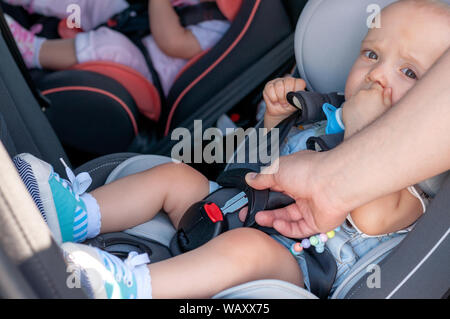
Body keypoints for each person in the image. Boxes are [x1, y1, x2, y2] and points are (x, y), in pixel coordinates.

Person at [11, 0, 450, 298]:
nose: (377, 75)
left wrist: (361, 132)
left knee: (248, 250)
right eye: (371, 55)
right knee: (177, 176)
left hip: (291, 269)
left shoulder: (409, 188)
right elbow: (248, 171)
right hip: (231, 211)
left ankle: (132, 286)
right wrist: (274, 122)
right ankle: (74, 216)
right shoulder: (325, 112)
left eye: (409, 72)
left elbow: (365, 206)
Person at [2, 0, 230, 96]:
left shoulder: (220, 27)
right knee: (96, 3)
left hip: (148, 71)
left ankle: (32, 51)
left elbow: (172, 43)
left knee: (110, 45)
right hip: (136, 27)